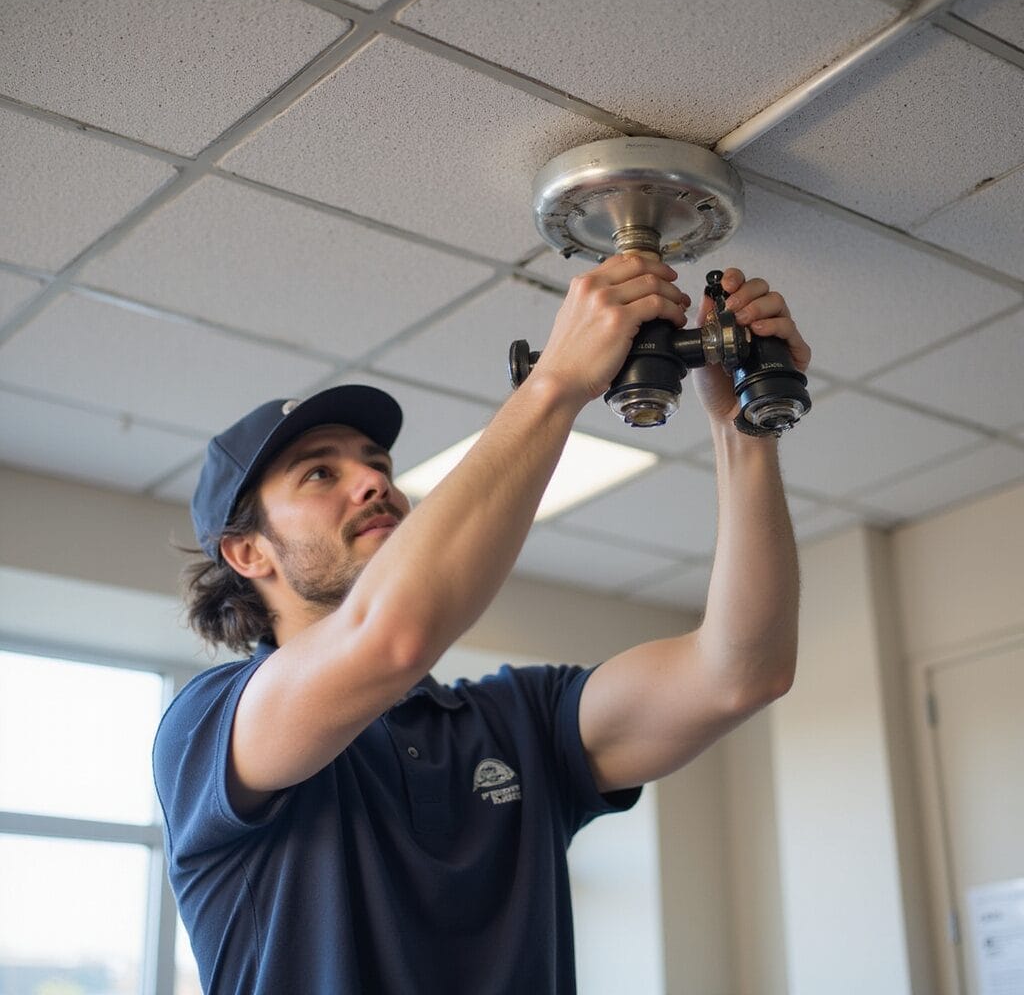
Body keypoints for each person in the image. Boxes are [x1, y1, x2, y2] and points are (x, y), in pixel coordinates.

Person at [153, 254, 810, 994]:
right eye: (319, 473)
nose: (374, 480)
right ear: (246, 553)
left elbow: (740, 673)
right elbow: (391, 638)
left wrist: (744, 428)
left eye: (376, 463)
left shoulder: (521, 721)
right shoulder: (210, 729)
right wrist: (556, 382)